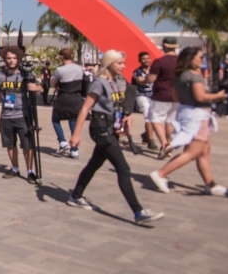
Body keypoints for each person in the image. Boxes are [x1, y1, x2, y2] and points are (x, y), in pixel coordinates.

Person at [66, 51, 164, 224]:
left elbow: (119, 104)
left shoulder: (118, 82)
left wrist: (127, 118)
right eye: (119, 63)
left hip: (112, 128)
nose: (123, 66)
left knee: (94, 164)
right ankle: (138, 211)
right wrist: (76, 134)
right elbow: (84, 108)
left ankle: (75, 195)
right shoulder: (99, 83)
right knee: (123, 168)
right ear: (109, 63)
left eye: (124, 63)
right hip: (101, 128)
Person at [149, 47, 228, 197]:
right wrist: (217, 95)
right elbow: (200, 97)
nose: (202, 59)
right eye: (199, 57)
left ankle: (210, 183)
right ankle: (161, 173)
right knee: (193, 152)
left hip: (186, 112)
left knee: (204, 151)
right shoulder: (194, 75)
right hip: (197, 115)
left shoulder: (178, 76)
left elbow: (176, 96)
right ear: (190, 58)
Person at [0, 47, 42, 184]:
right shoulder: (0, 74)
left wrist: (35, 88)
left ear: (18, 58)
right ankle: (14, 168)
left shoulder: (26, 74)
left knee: (27, 144)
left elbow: (40, 88)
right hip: (6, 115)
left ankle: (30, 171)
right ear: (5, 59)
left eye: (14, 58)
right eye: (9, 58)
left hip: (23, 114)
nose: (11, 61)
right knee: (9, 144)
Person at [49, 48, 86, 159]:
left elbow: (52, 82)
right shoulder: (80, 68)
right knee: (73, 120)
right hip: (77, 98)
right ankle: (74, 150)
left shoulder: (60, 70)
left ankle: (62, 141)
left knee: (55, 119)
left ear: (62, 57)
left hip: (64, 98)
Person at [147, 37, 180, 157]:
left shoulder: (160, 62)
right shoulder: (182, 62)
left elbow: (151, 79)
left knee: (155, 119)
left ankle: (164, 144)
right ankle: (169, 143)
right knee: (170, 121)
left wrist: (142, 80)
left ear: (164, 46)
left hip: (161, 94)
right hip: (178, 96)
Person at [131, 51, 158, 149]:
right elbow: (140, 82)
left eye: (148, 58)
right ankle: (151, 141)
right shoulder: (137, 71)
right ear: (139, 60)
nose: (146, 60)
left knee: (156, 118)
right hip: (142, 95)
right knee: (148, 116)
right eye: (144, 59)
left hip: (154, 96)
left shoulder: (155, 70)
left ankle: (146, 135)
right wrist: (149, 79)